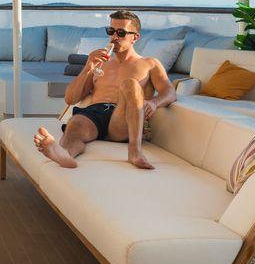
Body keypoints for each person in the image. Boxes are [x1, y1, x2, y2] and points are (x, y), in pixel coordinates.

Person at [34, 10, 175, 170]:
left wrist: (155, 103)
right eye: (111, 31)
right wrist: (88, 66)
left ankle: (135, 151)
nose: (114, 37)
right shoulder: (100, 64)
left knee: (130, 84)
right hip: (95, 114)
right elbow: (70, 99)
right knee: (76, 122)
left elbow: (170, 92)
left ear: (135, 37)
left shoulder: (149, 63)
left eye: (121, 33)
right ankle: (64, 155)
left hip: (123, 117)